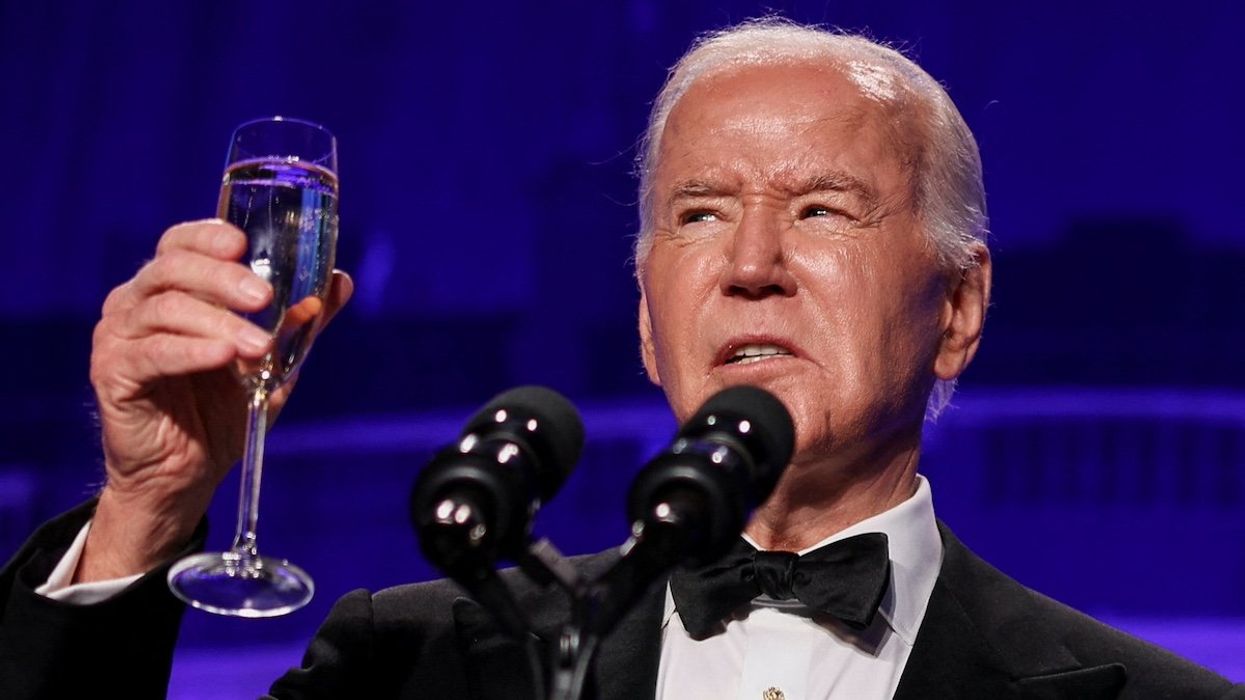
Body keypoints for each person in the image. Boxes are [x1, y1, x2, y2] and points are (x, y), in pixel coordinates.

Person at [0, 18, 1239, 700]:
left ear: (958, 309)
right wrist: (144, 514)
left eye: (820, 209)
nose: (750, 262)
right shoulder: (414, 668)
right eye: (698, 213)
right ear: (646, 319)